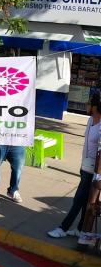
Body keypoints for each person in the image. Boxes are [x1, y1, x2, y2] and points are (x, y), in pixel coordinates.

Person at [49, 95, 101, 239]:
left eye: (89, 103)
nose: (86, 105)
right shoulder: (91, 120)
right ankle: (79, 229)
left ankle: (63, 228)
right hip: (85, 166)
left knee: (78, 199)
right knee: (85, 201)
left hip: (95, 170)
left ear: (95, 106)